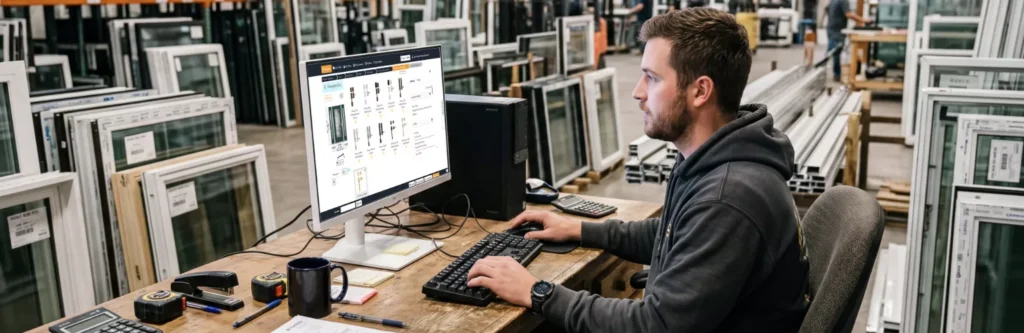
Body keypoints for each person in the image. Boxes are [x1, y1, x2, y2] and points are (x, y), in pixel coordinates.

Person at [468, 8, 810, 332]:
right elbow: (674, 233)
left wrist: (537, 292)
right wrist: (580, 229)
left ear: (700, 91)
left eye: (652, 78)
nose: (637, 92)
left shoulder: (728, 196)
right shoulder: (715, 156)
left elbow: (656, 325)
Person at [826, 0, 872, 81]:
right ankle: (836, 75)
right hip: (837, 30)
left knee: (832, 51)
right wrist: (863, 20)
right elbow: (848, 14)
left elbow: (827, 10)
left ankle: (832, 73)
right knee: (835, 52)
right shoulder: (843, 1)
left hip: (831, 28)